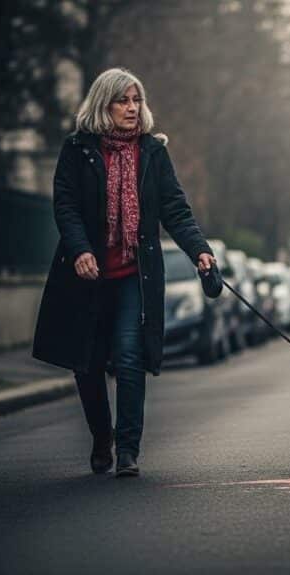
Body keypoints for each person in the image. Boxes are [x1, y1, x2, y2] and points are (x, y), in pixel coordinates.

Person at [33, 68, 215, 477]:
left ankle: (129, 449)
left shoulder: (152, 152)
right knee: (88, 363)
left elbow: (175, 209)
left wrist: (199, 250)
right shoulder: (78, 149)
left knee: (130, 358)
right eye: (123, 100)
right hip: (89, 274)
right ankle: (102, 437)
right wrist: (80, 250)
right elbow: (66, 205)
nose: (132, 108)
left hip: (136, 275)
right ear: (104, 104)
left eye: (137, 100)